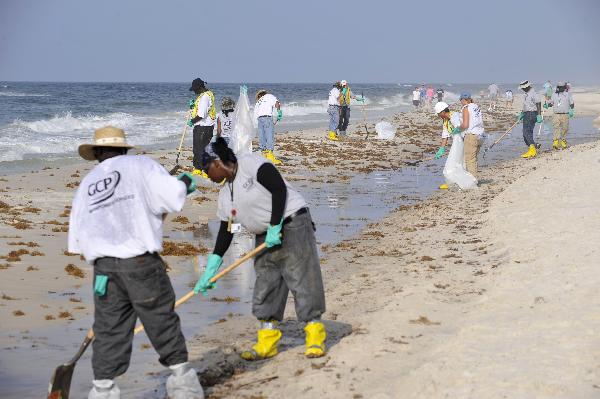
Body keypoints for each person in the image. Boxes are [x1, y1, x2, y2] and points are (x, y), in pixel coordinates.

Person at [68, 126, 204, 399]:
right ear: (124, 148)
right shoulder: (141, 165)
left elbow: (77, 242)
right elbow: (173, 196)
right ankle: (183, 385)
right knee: (161, 320)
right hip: (140, 264)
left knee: (108, 331)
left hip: (104, 269)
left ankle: (103, 391)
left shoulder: (87, 183)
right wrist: (185, 184)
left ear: (96, 154)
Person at [195, 138, 327, 361]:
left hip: (292, 222)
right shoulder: (225, 196)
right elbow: (227, 231)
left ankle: (315, 335)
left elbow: (278, 189)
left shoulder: (250, 164)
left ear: (217, 162)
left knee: (301, 277)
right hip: (264, 235)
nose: (207, 175)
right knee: (267, 284)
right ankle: (267, 341)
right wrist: (213, 266)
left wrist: (275, 226)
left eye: (207, 169)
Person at [188, 78, 216, 179]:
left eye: (195, 89)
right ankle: (204, 169)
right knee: (204, 148)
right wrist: (192, 106)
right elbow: (202, 109)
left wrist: (192, 121)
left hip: (202, 127)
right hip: (208, 126)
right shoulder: (209, 94)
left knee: (198, 149)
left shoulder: (204, 97)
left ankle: (199, 169)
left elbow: (201, 114)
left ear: (199, 88)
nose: (194, 91)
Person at [433, 101, 463, 189]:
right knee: (456, 163)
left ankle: (460, 183)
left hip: (463, 141)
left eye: (438, 114)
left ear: (442, 112)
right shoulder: (445, 121)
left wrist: (457, 130)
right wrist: (441, 149)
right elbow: (445, 135)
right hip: (457, 143)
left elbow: (459, 126)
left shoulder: (454, 116)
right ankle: (454, 182)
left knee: (459, 163)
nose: (438, 116)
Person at [458, 93, 485, 179]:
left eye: (460, 100)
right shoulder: (476, 106)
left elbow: (465, 125)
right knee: (474, 158)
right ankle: (474, 178)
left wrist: (457, 129)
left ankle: (473, 181)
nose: (460, 102)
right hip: (481, 135)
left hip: (472, 135)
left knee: (470, 160)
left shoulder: (466, 108)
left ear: (463, 100)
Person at [253, 89, 283, 165]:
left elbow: (255, 114)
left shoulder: (258, 101)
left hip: (259, 119)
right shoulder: (269, 96)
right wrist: (279, 113)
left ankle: (264, 155)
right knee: (269, 136)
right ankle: (270, 157)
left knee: (262, 137)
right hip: (267, 118)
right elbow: (277, 104)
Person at [517, 80, 542, 158]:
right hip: (526, 113)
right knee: (527, 133)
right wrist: (522, 113)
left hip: (531, 114)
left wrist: (539, 115)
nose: (522, 89)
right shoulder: (526, 94)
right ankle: (533, 148)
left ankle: (533, 150)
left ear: (527, 86)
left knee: (526, 132)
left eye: (523, 88)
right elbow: (526, 105)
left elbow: (538, 103)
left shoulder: (533, 93)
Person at [545, 81, 575, 149]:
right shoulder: (554, 95)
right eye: (559, 87)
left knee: (565, 128)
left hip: (565, 114)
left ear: (564, 87)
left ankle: (563, 140)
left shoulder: (568, 94)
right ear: (558, 87)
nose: (561, 88)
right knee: (556, 127)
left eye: (562, 87)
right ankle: (556, 141)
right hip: (556, 114)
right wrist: (547, 105)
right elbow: (550, 103)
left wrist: (571, 110)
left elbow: (572, 104)